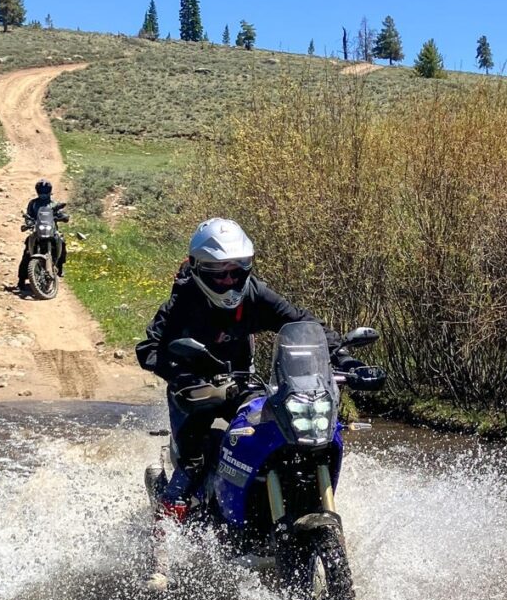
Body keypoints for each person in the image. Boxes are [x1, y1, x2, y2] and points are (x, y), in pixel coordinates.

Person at [136, 218, 363, 563]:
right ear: (199, 270)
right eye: (218, 274)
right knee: (195, 459)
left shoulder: (255, 293)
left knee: (278, 430)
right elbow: (148, 349)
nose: (229, 281)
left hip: (242, 381)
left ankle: (273, 503)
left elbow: (300, 321)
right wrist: (182, 376)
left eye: (236, 272)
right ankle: (161, 545)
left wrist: (342, 356)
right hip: (194, 388)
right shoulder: (183, 302)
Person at [17, 179, 69, 291]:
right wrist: (29, 222)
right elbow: (29, 216)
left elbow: (60, 214)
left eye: (45, 191)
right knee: (27, 251)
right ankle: (21, 279)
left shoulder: (54, 204)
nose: (43, 194)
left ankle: (60, 266)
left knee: (62, 241)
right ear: (37, 192)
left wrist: (63, 216)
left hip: (51, 230)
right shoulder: (33, 203)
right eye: (41, 191)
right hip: (37, 231)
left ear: (50, 192)